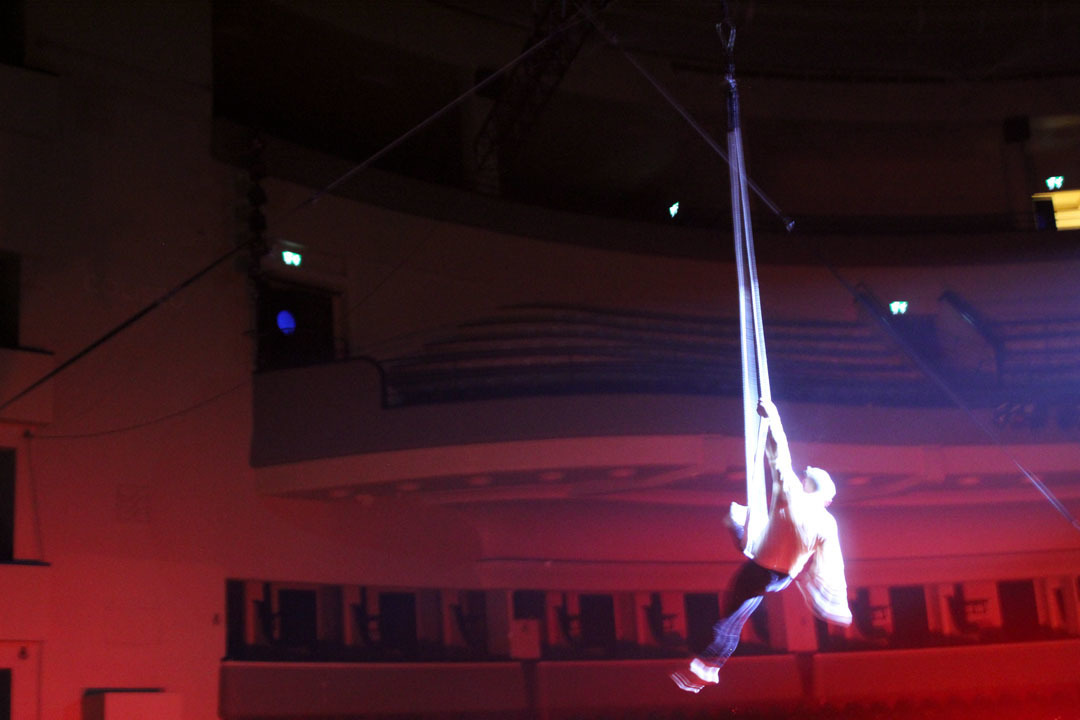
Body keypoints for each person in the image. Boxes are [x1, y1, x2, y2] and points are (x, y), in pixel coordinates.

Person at [671, 399, 852, 693]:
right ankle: (709, 666)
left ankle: (708, 666)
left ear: (809, 484)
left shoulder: (791, 492)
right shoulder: (827, 521)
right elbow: (832, 562)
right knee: (739, 517)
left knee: (731, 617)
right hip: (781, 577)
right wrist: (830, 599)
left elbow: (778, 453)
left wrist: (772, 416)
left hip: (761, 568)